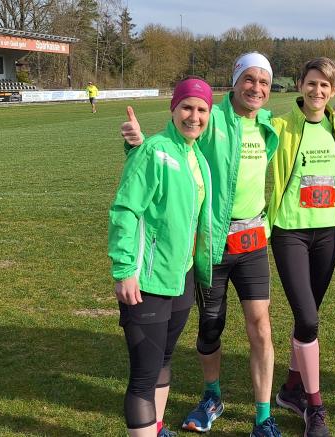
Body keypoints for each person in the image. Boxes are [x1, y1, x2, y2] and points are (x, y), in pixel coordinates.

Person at [120, 52, 284, 437]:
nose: (256, 87)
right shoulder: (212, 117)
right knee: (211, 326)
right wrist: (139, 145)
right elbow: (176, 145)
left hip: (254, 240)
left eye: (264, 81)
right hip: (211, 242)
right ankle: (212, 396)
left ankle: (263, 416)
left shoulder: (268, 125)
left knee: (261, 326)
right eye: (249, 79)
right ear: (236, 80)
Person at [108, 77, 214, 437]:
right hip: (147, 280)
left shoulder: (195, 155)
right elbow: (125, 210)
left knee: (164, 361)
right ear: (173, 108)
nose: (194, 116)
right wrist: (125, 270)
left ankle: (155, 429)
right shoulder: (155, 150)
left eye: (202, 110)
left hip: (181, 277)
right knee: (142, 377)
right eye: (187, 107)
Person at [267, 57, 335, 437]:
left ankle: (290, 388)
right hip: (290, 232)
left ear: (333, 90)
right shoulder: (280, 126)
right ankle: (315, 406)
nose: (318, 91)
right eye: (312, 83)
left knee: (308, 316)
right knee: (310, 319)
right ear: (300, 85)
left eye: (325, 86)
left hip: (327, 231)